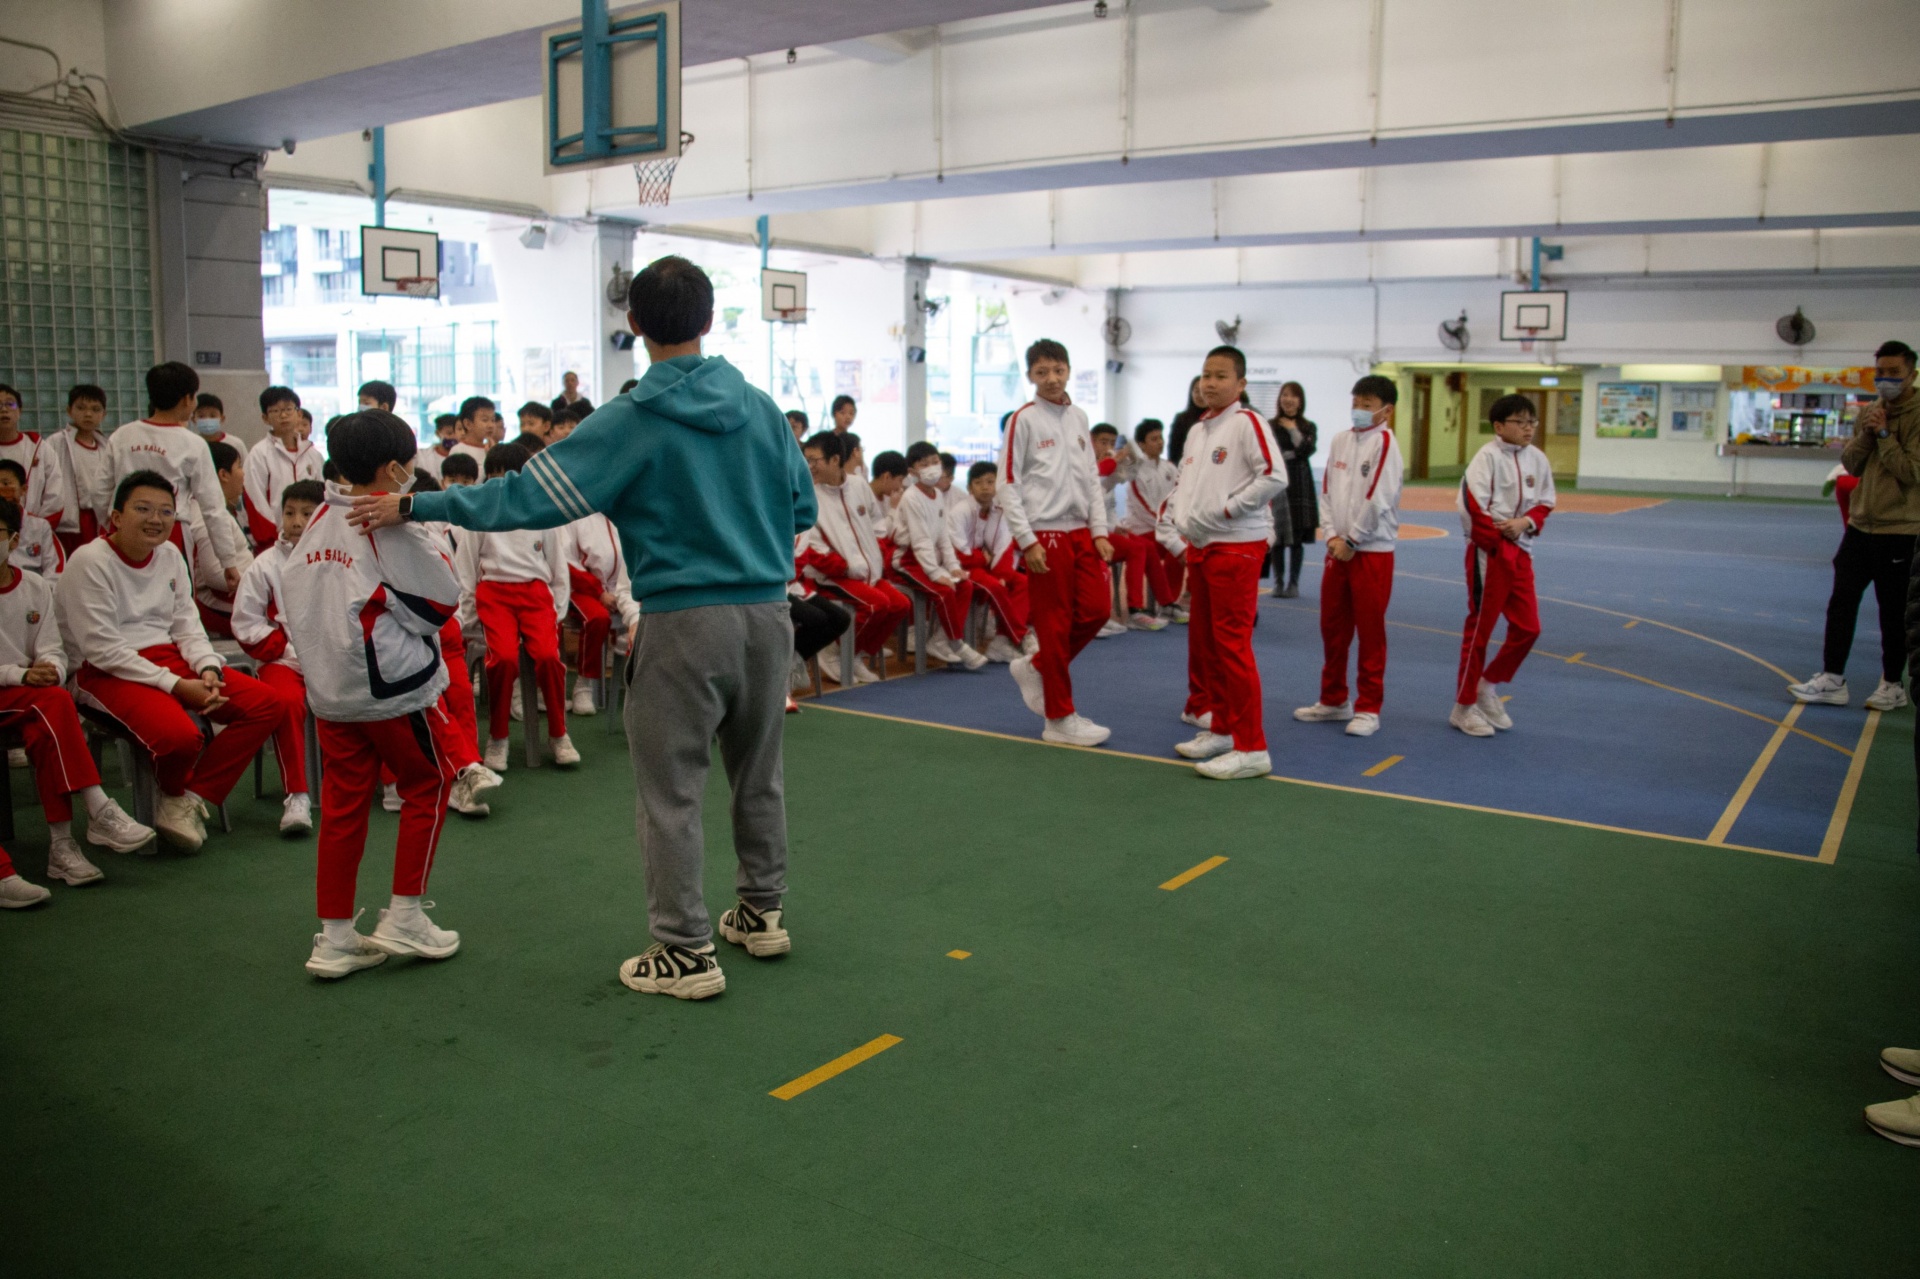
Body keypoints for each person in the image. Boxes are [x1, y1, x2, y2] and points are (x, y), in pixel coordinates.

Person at [348, 254, 817, 1001]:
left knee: (672, 790)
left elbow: (526, 498)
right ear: (708, 319)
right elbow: (804, 509)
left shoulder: (631, 418)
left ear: (632, 323)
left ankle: (684, 949)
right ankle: (762, 913)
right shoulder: (761, 408)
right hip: (768, 614)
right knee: (759, 774)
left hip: (684, 620)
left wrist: (417, 504)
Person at [281, 410, 466, 980]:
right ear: (392, 469)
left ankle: (336, 937)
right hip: (390, 690)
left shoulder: (319, 516)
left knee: (342, 807)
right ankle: (405, 914)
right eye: (409, 464)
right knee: (429, 784)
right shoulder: (389, 524)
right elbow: (440, 604)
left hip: (330, 691)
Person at [58, 471, 285, 852]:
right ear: (116, 517)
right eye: (143, 509)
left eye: (166, 511)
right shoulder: (89, 561)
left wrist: (207, 669)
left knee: (267, 703)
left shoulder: (169, 555)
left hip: (169, 658)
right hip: (103, 672)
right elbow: (101, 650)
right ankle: (174, 791)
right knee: (181, 738)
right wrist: (177, 686)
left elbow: (187, 626)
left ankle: (186, 798)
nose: (156, 519)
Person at [0, 491, 155, 886]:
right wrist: (19, 676)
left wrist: (51, 668)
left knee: (46, 723)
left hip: (29, 698)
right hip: (16, 689)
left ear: (14, 540)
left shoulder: (35, 587)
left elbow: (52, 647)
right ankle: (97, 807)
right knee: (52, 704)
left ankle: (62, 846)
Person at [1163, 346, 1286, 780]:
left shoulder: (1247, 422)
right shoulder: (1199, 430)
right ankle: (1224, 729)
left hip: (1235, 546)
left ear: (1241, 384)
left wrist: (1229, 510)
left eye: (1220, 376)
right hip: (1202, 545)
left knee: (1233, 647)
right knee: (1210, 645)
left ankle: (1252, 747)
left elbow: (1274, 476)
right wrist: (1184, 521)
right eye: (1205, 375)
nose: (1210, 383)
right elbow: (1187, 485)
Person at [1789, 340, 1920, 712]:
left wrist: (1885, 436)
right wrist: (1868, 432)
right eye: (1880, 372)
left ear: (1911, 374)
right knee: (1841, 603)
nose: (1886, 379)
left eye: (1894, 372)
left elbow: (1912, 473)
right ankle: (1832, 678)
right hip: (1861, 527)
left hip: (1901, 530)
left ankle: (1892, 684)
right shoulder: (1872, 411)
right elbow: (1852, 464)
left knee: (1893, 612)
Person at [997, 338, 1115, 747]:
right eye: (1042, 372)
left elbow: (1091, 480)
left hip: (1081, 531)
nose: (1051, 378)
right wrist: (1027, 540)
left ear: (1068, 371)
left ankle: (1037, 666)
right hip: (1044, 533)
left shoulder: (1079, 417)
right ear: (1030, 376)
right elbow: (1007, 483)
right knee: (1054, 624)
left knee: (1098, 611)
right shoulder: (1023, 420)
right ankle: (1059, 717)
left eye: (1058, 370)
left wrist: (1099, 531)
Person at [455, 443, 576, 771]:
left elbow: (558, 569)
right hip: (494, 595)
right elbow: (465, 571)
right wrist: (468, 619)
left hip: (536, 595)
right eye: (497, 477)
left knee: (549, 657)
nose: (505, 484)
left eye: (512, 476)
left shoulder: (542, 513)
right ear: (488, 478)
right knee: (504, 659)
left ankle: (559, 733)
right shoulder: (480, 513)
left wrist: (557, 612)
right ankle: (498, 737)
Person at [1296, 375, 1404, 739]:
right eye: (1355, 402)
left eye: (1367, 404)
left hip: (1371, 552)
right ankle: (1334, 699)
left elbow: (1379, 498)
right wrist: (1330, 534)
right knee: (1332, 628)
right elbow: (1326, 491)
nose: (1358, 409)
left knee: (1370, 632)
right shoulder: (1341, 440)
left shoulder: (1385, 444)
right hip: (1338, 549)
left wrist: (1353, 540)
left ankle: (1369, 707)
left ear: (1386, 411)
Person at [1449, 394, 1557, 737]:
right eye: (1520, 422)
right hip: (1489, 553)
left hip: (1521, 551)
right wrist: (1497, 542)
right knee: (1480, 631)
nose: (1528, 428)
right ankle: (1463, 707)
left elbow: (1545, 502)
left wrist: (1525, 523)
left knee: (1529, 628)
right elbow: (1470, 506)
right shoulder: (1486, 458)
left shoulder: (1538, 458)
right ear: (1499, 426)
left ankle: (1487, 684)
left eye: (1532, 422)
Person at [230, 478, 322, 834]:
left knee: (373, 687)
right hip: (282, 661)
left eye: (307, 514)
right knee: (284, 703)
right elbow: (245, 623)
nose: (296, 521)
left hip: (332, 658)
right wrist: (284, 648)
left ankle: (389, 782)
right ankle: (297, 796)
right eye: (290, 513)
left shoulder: (342, 557)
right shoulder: (265, 564)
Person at [109, 363, 249, 582]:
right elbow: (213, 507)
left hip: (123, 527)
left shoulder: (122, 435)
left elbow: (99, 492)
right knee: (173, 597)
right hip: (170, 532)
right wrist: (228, 561)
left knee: (124, 589)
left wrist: (111, 524)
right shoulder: (193, 444)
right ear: (187, 399)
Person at [798, 431, 908, 684]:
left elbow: (877, 522)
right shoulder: (809, 494)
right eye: (807, 460)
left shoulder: (858, 485)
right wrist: (847, 567)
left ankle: (856, 654)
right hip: (830, 576)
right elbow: (811, 548)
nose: (809, 466)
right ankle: (832, 651)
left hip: (868, 572)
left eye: (815, 460)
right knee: (876, 604)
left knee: (900, 605)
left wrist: (875, 556)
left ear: (835, 459)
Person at [889, 441, 988, 670]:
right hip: (907, 561)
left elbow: (943, 536)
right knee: (943, 591)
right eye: (924, 464)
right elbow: (920, 540)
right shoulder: (912, 497)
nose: (932, 468)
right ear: (913, 471)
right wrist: (935, 573)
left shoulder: (938, 495)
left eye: (935, 462)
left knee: (965, 585)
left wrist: (953, 567)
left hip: (928, 558)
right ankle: (957, 644)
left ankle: (941, 639)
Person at [948, 460, 1031, 663]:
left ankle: (1001, 640)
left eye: (990, 482)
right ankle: (1022, 636)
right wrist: (981, 557)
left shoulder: (998, 510)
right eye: (978, 483)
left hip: (983, 565)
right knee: (995, 587)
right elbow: (959, 553)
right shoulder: (960, 511)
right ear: (969, 487)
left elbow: (1002, 545)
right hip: (960, 567)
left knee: (1022, 582)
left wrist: (1002, 574)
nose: (985, 487)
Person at [563, 512, 639, 715]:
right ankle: (584, 684)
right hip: (582, 589)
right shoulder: (575, 516)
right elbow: (566, 562)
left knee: (649, 614)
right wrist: (599, 592)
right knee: (597, 618)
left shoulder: (620, 511)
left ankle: (639, 683)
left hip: (620, 588)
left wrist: (622, 593)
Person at [1114, 419, 1187, 624]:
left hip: (1165, 530)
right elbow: (1144, 509)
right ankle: (1154, 604)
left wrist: (1176, 528)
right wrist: (1169, 529)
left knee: (1179, 550)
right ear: (1142, 445)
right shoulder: (1136, 471)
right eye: (1153, 439)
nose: (1160, 442)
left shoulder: (1169, 468)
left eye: (1160, 437)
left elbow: (1180, 498)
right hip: (1142, 530)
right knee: (1166, 547)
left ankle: (1169, 603)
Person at [242, 386, 324, 550]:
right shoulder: (259, 454)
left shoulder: (313, 455)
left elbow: (323, 496)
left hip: (313, 540)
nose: (283, 415)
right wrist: (271, 539)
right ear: (265, 418)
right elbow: (255, 499)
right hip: (276, 542)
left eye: (288, 409)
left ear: (299, 414)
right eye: (276, 411)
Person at [1090, 422, 1149, 635]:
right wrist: (1116, 459)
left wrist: (1131, 457)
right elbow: (1090, 502)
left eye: (1111, 443)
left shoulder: (1108, 467)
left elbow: (1119, 483)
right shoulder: (1084, 465)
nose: (1107, 447)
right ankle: (1118, 612)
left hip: (1103, 530)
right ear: (1091, 441)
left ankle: (1149, 606)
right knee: (1126, 553)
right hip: (1088, 532)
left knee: (1144, 547)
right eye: (1103, 442)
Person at [47, 384, 113, 556]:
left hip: (98, 516)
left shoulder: (106, 446)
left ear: (104, 414)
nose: (88, 414)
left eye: (95, 409)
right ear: (69, 410)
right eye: (81, 408)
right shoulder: (56, 442)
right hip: (71, 519)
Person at [1271, 382, 1319, 598]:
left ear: (1300, 401)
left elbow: (1307, 450)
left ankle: (1293, 583)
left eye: (1293, 396)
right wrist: (1292, 453)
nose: (1288, 400)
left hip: (1300, 483)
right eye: (1285, 395)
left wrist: (1292, 429)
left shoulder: (1308, 426)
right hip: (1278, 483)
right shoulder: (1271, 425)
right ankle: (1278, 582)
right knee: (1277, 537)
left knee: (1297, 537)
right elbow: (1270, 452)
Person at [0, 382, 64, 530]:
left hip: (34, 530)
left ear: (20, 411)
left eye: (10, 404)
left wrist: (36, 527)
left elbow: (55, 493)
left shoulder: (39, 448)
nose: (4, 410)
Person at [0, 462, 62, 579]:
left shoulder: (40, 526)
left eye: (6, 483)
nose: (1, 489)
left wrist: (40, 588)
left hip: (34, 586)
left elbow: (55, 568)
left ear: (23, 489)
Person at [1166, 376, 1206, 465]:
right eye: (1196, 391)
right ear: (1191, 393)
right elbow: (1173, 452)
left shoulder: (1218, 418)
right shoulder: (1181, 419)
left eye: (1203, 391)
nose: (1200, 395)